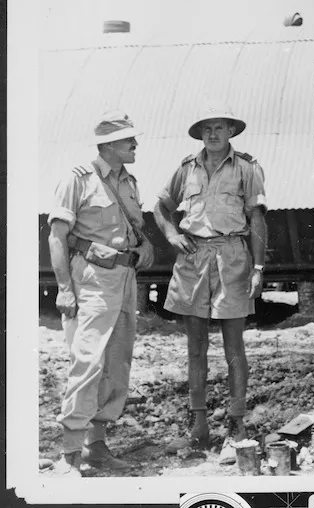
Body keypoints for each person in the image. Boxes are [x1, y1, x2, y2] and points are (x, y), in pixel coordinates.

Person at [154, 102, 267, 465]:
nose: (213, 134)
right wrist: (172, 234)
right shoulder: (187, 168)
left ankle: (236, 425)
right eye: (206, 129)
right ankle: (198, 426)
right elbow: (161, 206)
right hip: (193, 259)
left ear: (231, 131)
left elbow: (257, 218)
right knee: (195, 347)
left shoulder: (247, 168)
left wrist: (258, 267)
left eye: (219, 128)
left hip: (233, 256)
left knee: (234, 347)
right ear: (200, 134)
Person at [48, 111, 155, 477]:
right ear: (109, 144)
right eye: (129, 140)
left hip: (124, 277)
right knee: (88, 361)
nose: (135, 144)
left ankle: (97, 447)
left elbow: (133, 230)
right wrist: (64, 288)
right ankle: (70, 455)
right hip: (92, 278)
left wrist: (144, 248)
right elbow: (57, 236)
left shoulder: (129, 182)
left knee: (116, 362)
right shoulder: (78, 179)